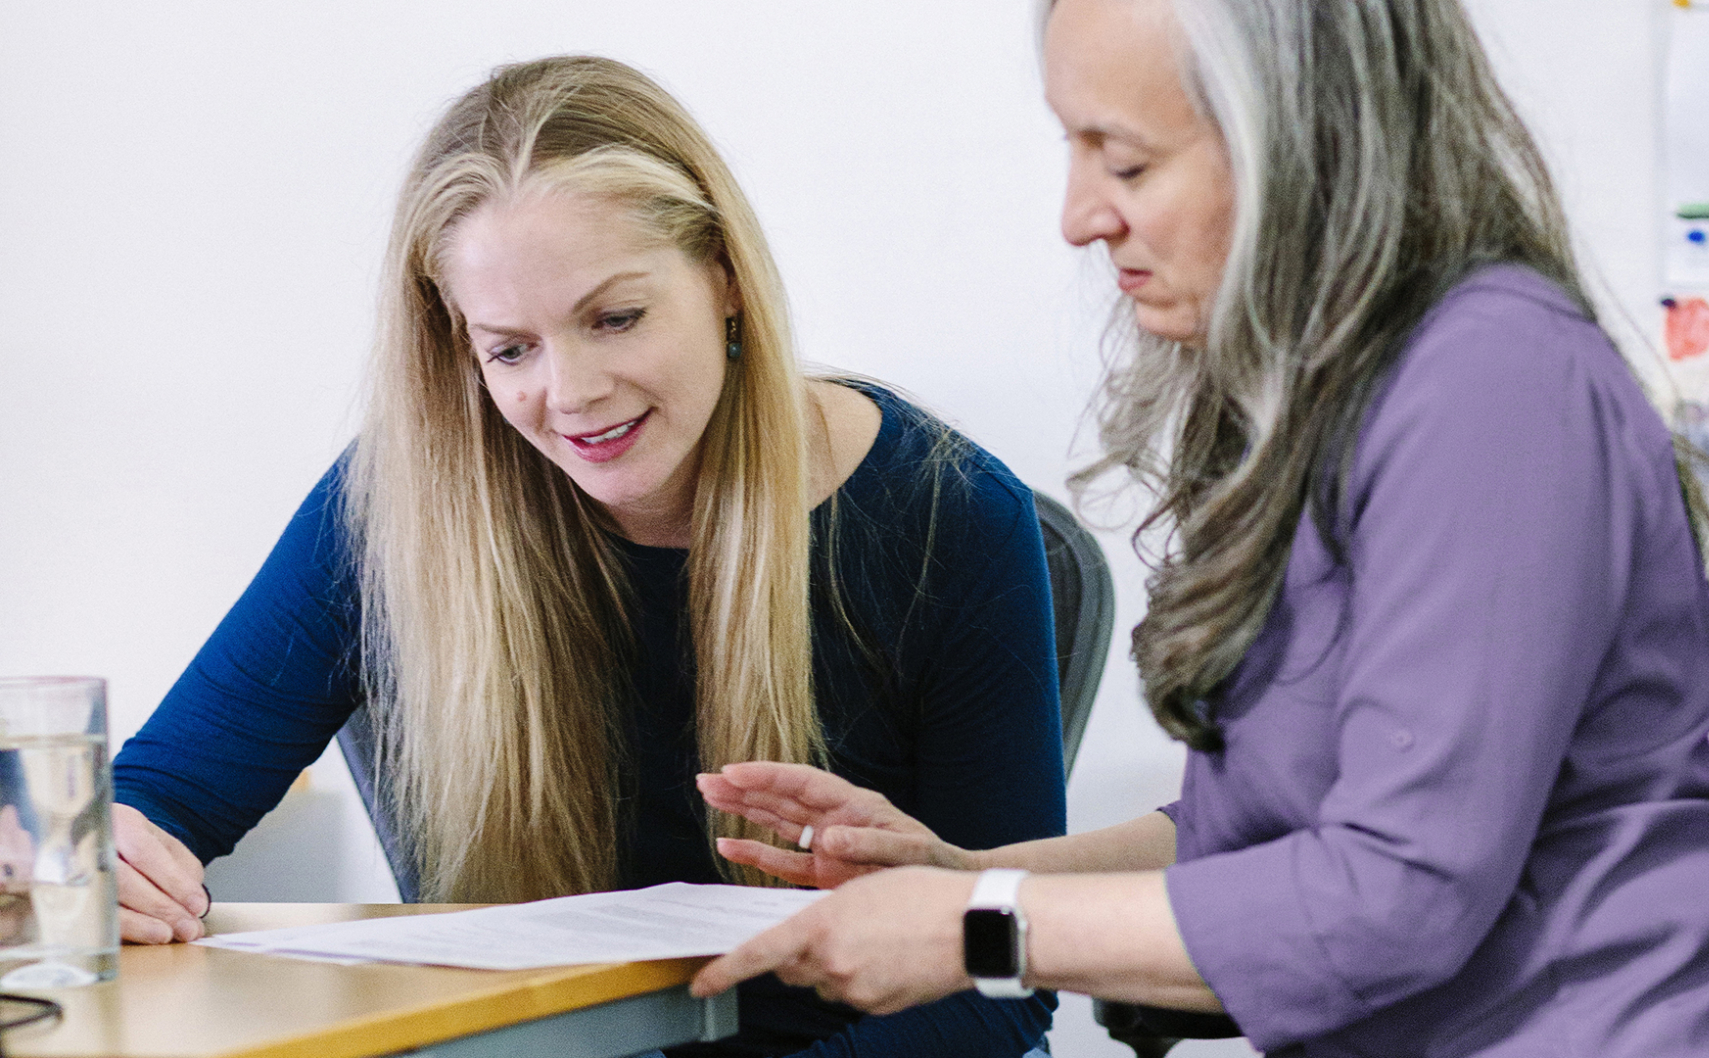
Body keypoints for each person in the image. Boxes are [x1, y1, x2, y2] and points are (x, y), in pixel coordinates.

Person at [688, 1, 1709, 1055]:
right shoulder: (1320, 400)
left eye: (1124, 159)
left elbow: (1394, 894)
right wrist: (961, 872)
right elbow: (1257, 835)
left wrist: (973, 928)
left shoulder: (1494, 379)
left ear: (1305, 144)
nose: (1079, 216)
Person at [109, 55, 1066, 1058]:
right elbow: (162, 796)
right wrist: (110, 859)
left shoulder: (946, 514)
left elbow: (993, 980)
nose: (570, 393)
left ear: (725, 277)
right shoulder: (401, 498)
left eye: (615, 317)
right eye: (510, 349)